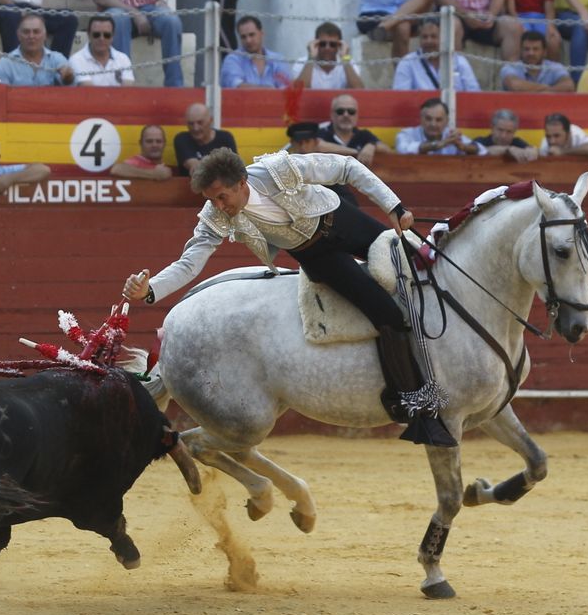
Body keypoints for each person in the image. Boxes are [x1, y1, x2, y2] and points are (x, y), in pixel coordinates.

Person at [122, 147, 455, 447]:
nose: (219, 206)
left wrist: (393, 206)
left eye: (222, 197)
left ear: (241, 183)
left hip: (342, 221)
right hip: (318, 258)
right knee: (388, 315)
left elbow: (347, 167)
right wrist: (151, 289)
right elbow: (190, 261)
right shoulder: (216, 216)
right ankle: (415, 404)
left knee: (418, 267)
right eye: (212, 200)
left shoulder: (278, 169)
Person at [392, 17, 479, 92]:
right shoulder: (407, 62)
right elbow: (401, 96)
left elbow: (474, 94)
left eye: (433, 37)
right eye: (424, 37)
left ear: (443, 38)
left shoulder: (459, 61)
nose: (429, 41)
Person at [0, 12, 72, 85]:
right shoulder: (5, 64)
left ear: (45, 35)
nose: (31, 36)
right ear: (18, 35)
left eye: (36, 32)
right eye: (26, 32)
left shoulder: (57, 60)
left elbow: (71, 90)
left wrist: (68, 78)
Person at [220, 14, 293, 88]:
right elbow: (237, 88)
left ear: (261, 34)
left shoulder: (278, 60)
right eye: (243, 37)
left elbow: (287, 91)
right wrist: (270, 90)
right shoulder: (233, 60)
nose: (248, 40)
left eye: (252, 35)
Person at [316, 94, 388, 166]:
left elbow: (387, 150)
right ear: (332, 115)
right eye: (340, 111)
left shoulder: (364, 134)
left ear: (356, 116)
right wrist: (356, 152)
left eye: (351, 111)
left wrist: (372, 146)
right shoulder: (322, 132)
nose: (346, 115)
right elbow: (317, 146)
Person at [395, 97, 480, 155]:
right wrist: (438, 144)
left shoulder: (450, 135)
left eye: (438, 120)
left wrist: (464, 147)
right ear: (420, 119)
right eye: (428, 119)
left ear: (446, 121)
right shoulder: (406, 134)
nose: (433, 124)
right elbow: (403, 149)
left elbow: (482, 150)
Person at [67, 13, 134, 86]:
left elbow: (128, 89)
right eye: (96, 35)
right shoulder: (76, 60)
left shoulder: (123, 59)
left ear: (113, 36)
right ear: (88, 35)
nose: (101, 39)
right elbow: (89, 91)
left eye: (107, 35)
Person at [295, 21, 364, 90]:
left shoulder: (348, 62)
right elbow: (298, 91)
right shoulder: (302, 62)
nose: (327, 48)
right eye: (322, 44)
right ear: (316, 44)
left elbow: (359, 90)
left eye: (332, 44)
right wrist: (311, 58)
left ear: (339, 46)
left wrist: (345, 58)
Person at [173, 102, 236, 177]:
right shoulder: (182, 139)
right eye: (191, 124)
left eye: (200, 123)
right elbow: (194, 167)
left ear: (210, 120)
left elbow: (234, 168)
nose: (195, 128)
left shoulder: (225, 138)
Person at [502, 29, 575, 92]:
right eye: (526, 49)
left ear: (544, 52)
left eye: (535, 49)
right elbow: (515, 85)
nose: (531, 53)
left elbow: (569, 86)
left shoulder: (555, 67)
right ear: (521, 51)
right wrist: (547, 89)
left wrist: (535, 90)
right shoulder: (511, 67)